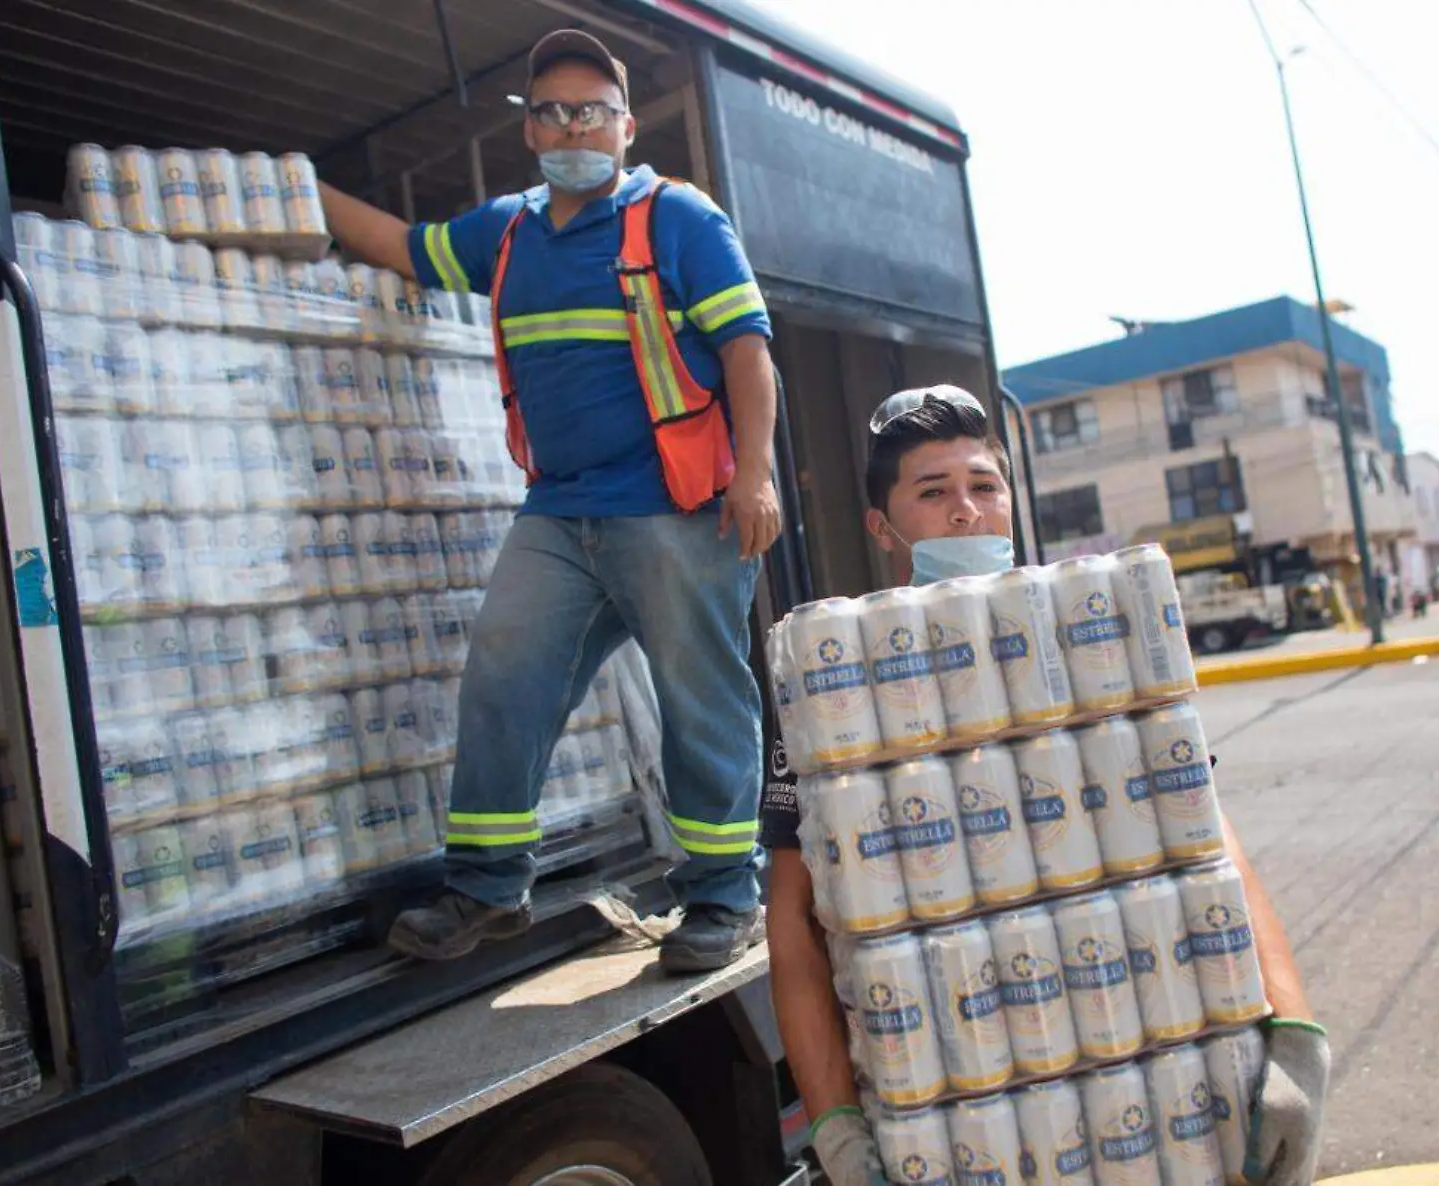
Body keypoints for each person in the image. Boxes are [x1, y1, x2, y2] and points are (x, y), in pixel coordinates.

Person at [760, 388, 1331, 1186]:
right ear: (880, 526)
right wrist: (835, 1123)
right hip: (962, 1107)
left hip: (1152, 1081)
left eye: (984, 486)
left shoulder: (1082, 632)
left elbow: (1208, 847)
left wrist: (1294, 1031)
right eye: (933, 492)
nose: (967, 512)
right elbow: (792, 921)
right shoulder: (833, 679)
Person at [316, 29, 780, 973]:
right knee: (504, 674)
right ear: (528, 131)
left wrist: (758, 471)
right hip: (559, 514)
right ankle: (487, 888)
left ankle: (724, 899)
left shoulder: (678, 218)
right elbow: (405, 249)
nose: (572, 125)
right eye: (551, 111)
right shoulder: (511, 231)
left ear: (625, 124)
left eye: (590, 110)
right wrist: (296, 189)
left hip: (674, 510)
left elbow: (747, 349)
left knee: (702, 701)